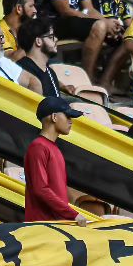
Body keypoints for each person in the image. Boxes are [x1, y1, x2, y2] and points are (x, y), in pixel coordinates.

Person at [23, 95, 86, 223]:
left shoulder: (52, 148)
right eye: (67, 116)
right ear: (54, 117)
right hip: (43, 226)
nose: (71, 121)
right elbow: (40, 189)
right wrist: (72, 214)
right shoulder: (38, 147)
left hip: (56, 225)